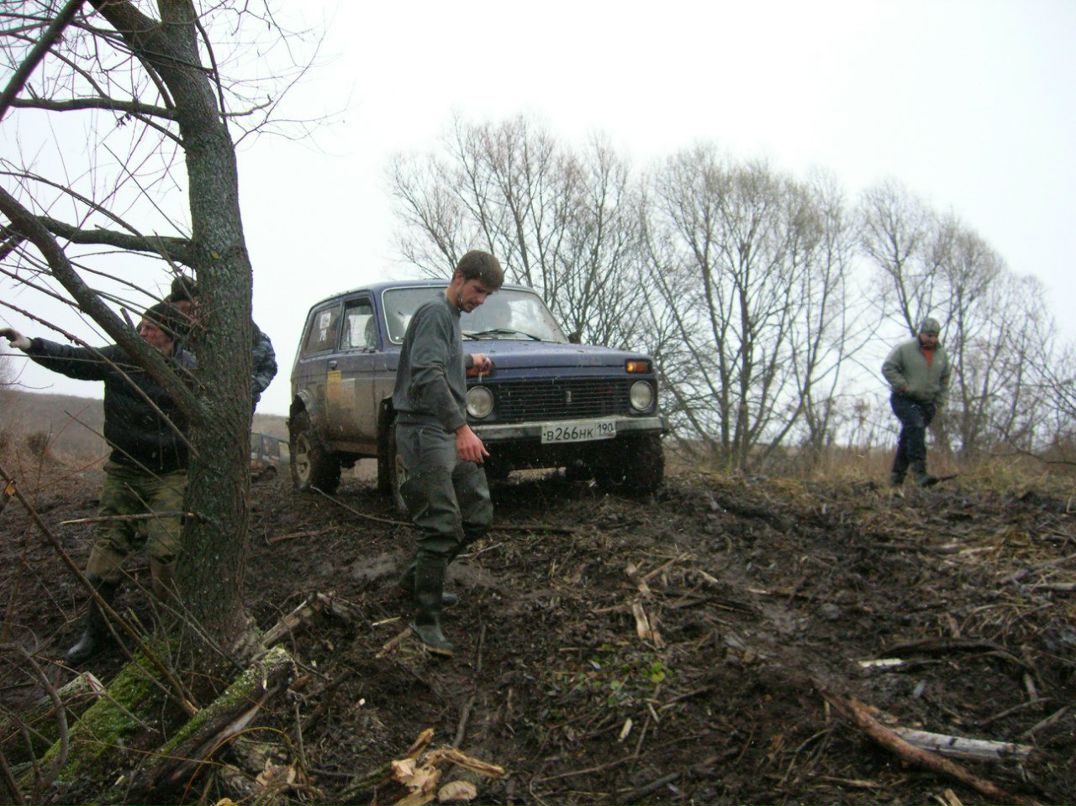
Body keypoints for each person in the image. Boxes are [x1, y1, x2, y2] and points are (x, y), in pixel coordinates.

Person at [1, 303, 195, 664]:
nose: (142, 332)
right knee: (107, 550)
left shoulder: (190, 370)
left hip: (170, 474)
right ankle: (95, 632)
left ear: (171, 337)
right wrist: (31, 344)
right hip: (124, 470)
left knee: (164, 551)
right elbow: (75, 360)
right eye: (141, 325)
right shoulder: (122, 357)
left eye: (151, 329)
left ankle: (168, 630)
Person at [391, 250, 504, 656]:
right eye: (478, 290)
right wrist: (461, 428)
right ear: (458, 277)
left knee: (476, 515)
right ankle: (426, 619)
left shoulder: (450, 318)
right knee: (440, 526)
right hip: (426, 431)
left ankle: (421, 578)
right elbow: (425, 374)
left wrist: (469, 360)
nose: (480, 301)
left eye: (487, 295)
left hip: (444, 429)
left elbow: (440, 360)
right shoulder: (436, 313)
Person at [166, 276, 277, 411]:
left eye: (193, 305)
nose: (189, 311)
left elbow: (268, 365)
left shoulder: (240, 326)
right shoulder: (166, 326)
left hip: (238, 405)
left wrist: (249, 387)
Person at [882, 317, 952, 487]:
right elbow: (888, 367)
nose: (931, 339)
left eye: (935, 336)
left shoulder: (942, 355)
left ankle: (896, 479)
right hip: (904, 399)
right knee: (916, 426)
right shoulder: (904, 349)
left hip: (927, 403)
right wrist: (902, 385)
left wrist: (939, 402)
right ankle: (920, 473)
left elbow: (944, 379)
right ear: (921, 333)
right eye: (928, 335)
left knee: (909, 437)